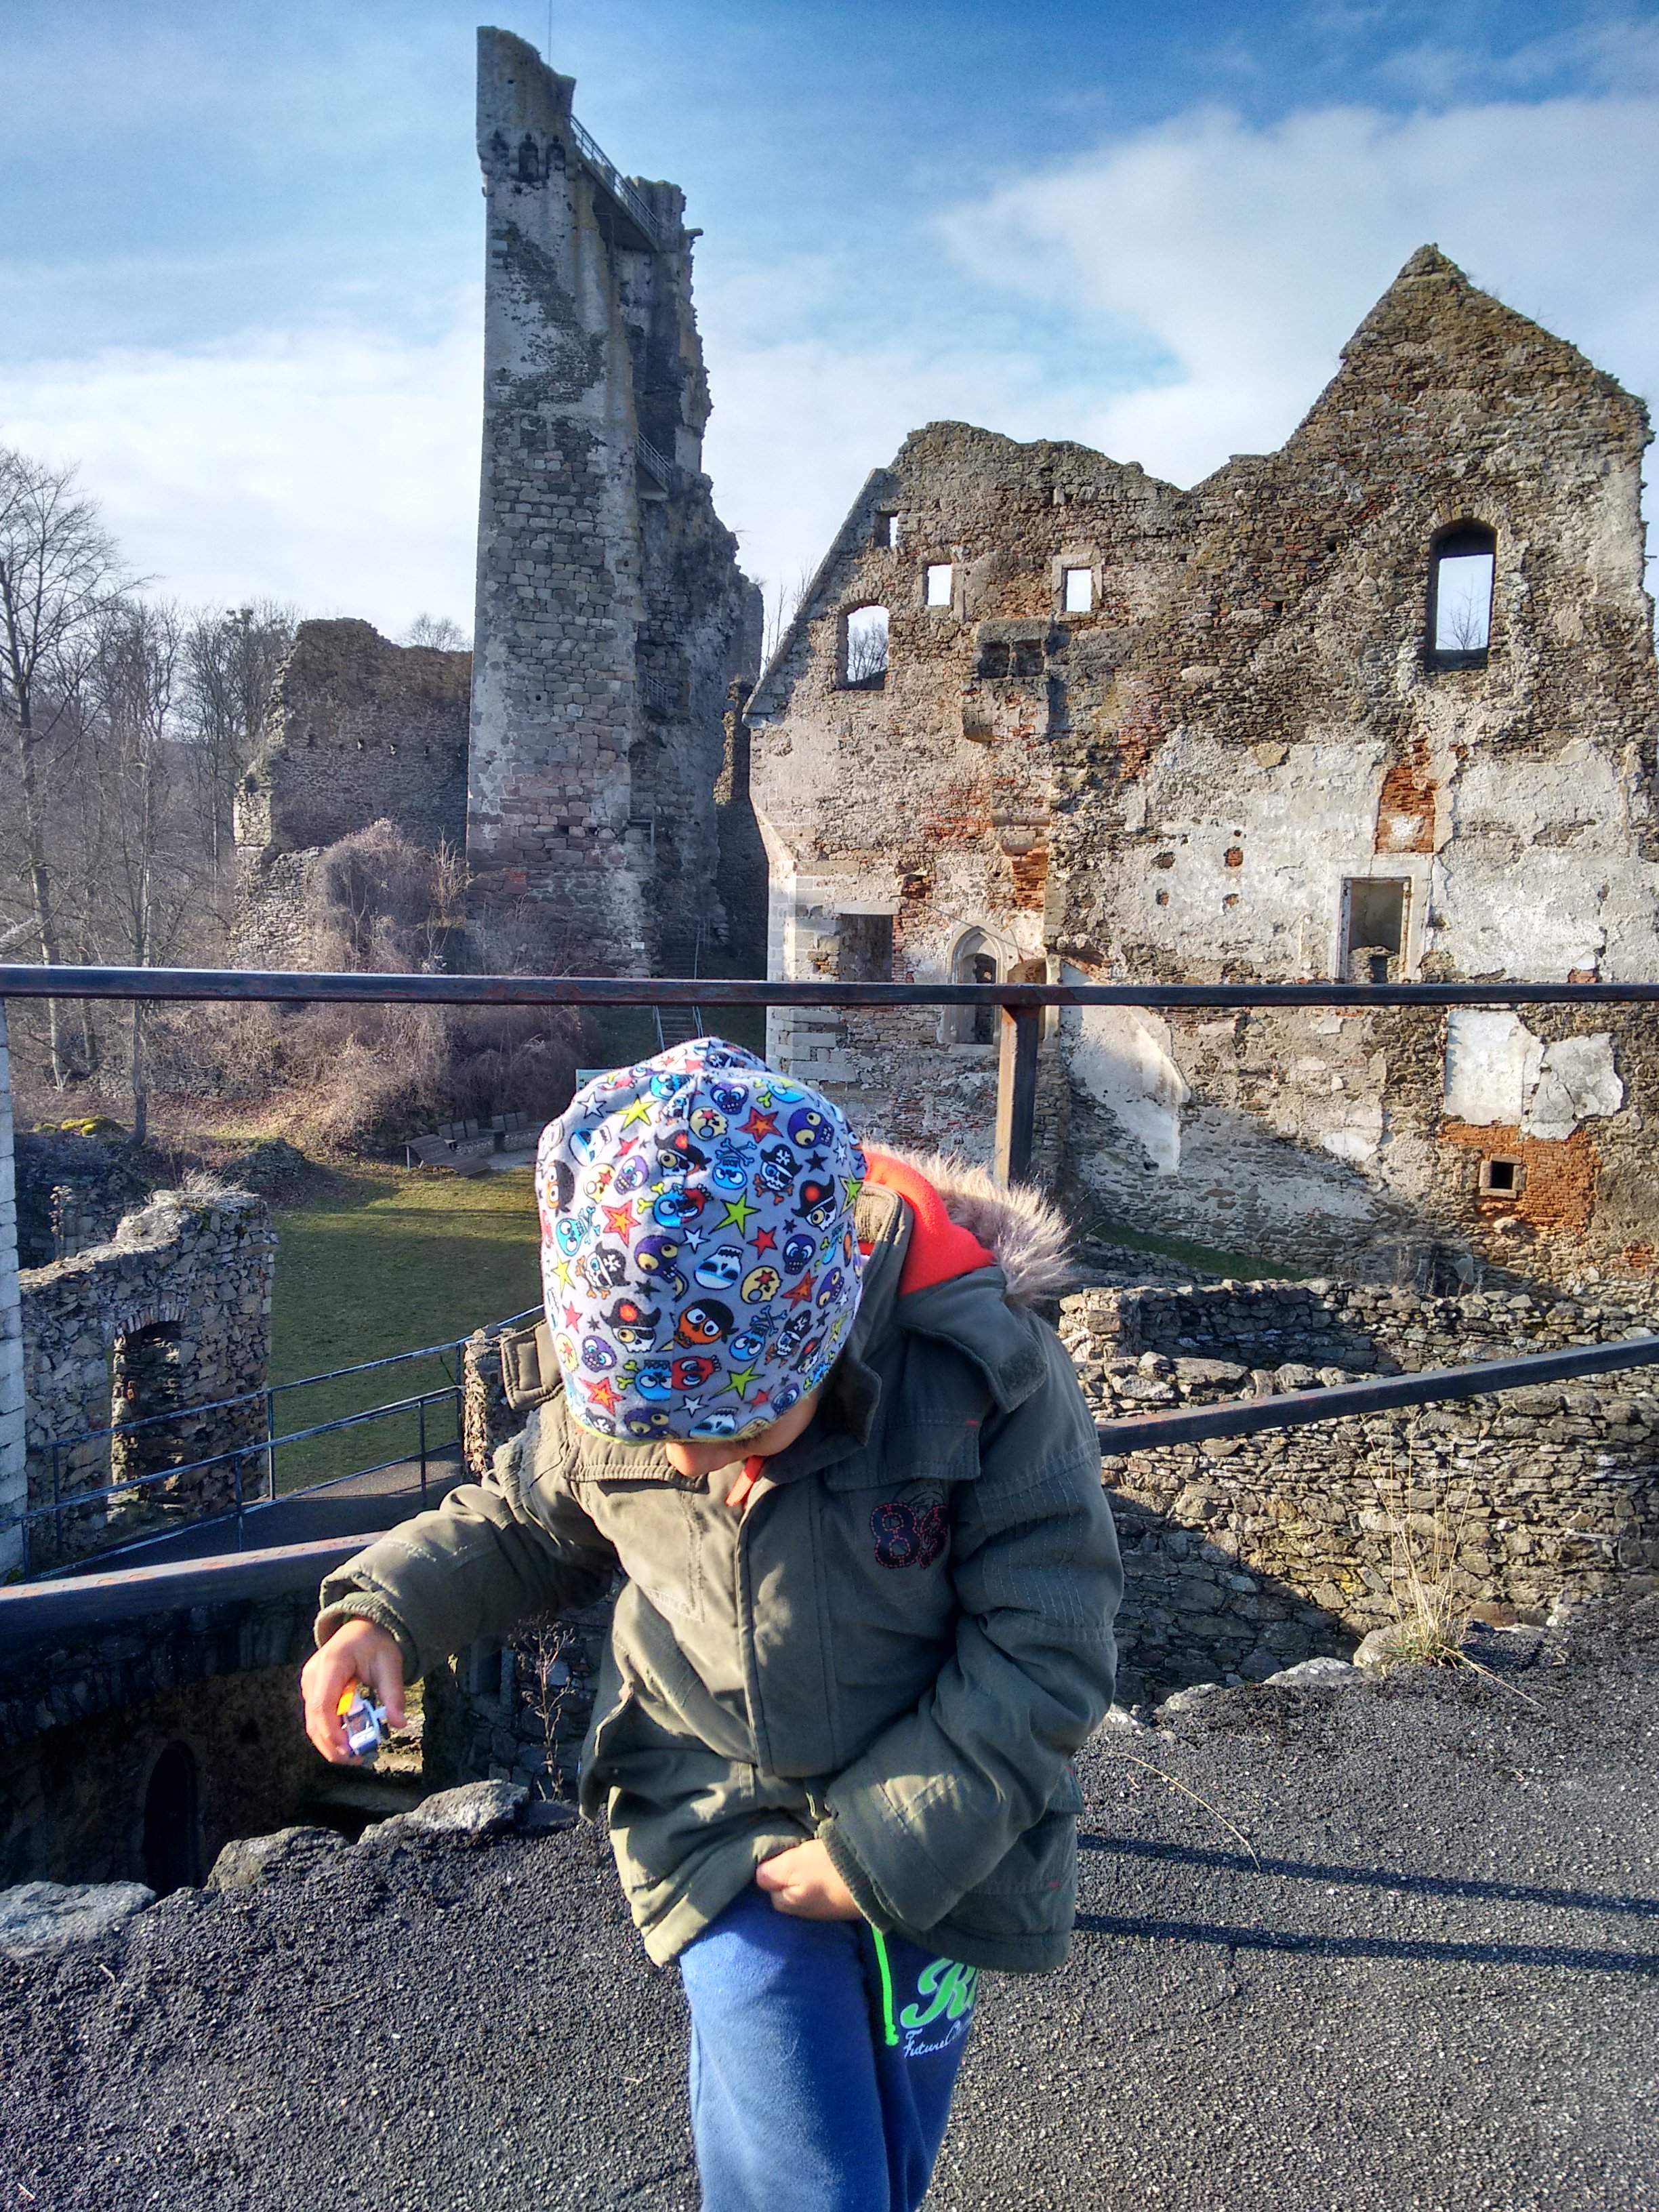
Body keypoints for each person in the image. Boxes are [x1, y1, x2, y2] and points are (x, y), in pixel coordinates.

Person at [302, 1039, 1121, 2211]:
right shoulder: (644, 1375)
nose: (686, 1463)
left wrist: (884, 1850)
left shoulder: (983, 1383)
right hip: (711, 1808)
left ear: (826, 1334)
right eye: (653, 1431)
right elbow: (525, 1519)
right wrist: (387, 1609)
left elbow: (1047, 1643)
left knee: (892, 2153)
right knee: (812, 2183)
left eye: (733, 1433)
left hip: (939, 1828)